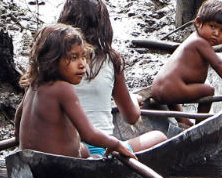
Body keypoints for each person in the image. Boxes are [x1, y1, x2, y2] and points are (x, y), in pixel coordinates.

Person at [58, 0, 168, 152]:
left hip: (58, 147)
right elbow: (131, 117)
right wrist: (133, 101)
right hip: (97, 149)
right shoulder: (110, 59)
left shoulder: (54, 58)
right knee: (159, 137)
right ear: (103, 25)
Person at [14, 23, 136, 160]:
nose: (82, 64)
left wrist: (21, 141)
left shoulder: (34, 85)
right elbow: (88, 134)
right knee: (94, 156)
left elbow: (18, 118)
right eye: (73, 58)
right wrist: (116, 143)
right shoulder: (63, 89)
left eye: (83, 56)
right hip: (59, 166)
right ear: (52, 60)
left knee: (83, 150)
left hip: (29, 160)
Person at [148, 0, 222, 114]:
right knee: (208, 90)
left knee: (176, 85)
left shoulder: (193, 39)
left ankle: (183, 120)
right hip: (170, 90)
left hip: (158, 89)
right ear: (198, 22)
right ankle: (201, 120)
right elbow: (218, 64)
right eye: (212, 26)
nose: (216, 33)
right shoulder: (201, 43)